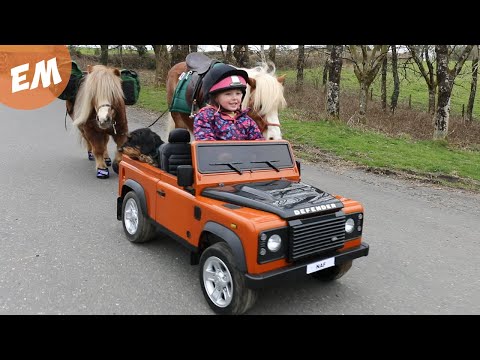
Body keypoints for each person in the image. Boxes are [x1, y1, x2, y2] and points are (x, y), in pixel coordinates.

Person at [193, 64, 265, 141]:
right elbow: (205, 142)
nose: (234, 98)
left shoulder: (246, 120)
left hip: (244, 153)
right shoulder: (206, 117)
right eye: (228, 94)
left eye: (238, 93)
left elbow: (258, 142)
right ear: (215, 97)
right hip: (218, 152)